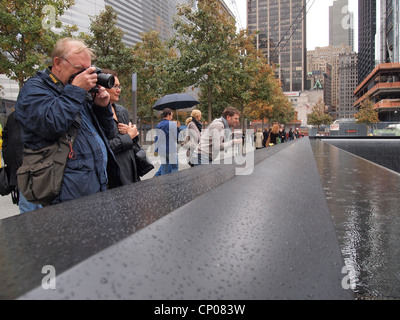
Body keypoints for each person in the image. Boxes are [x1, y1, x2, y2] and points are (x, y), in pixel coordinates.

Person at [14, 38, 121, 205]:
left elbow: (109, 133)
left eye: (88, 69)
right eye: (79, 68)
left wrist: (102, 107)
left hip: (94, 186)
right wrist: (76, 90)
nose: (86, 75)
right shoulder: (34, 89)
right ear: (58, 63)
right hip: (65, 192)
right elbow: (51, 125)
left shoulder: (76, 91)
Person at [104, 70, 140, 185]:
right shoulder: (95, 113)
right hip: (112, 174)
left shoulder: (122, 111)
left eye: (119, 86)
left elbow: (133, 139)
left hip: (130, 170)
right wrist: (128, 136)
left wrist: (133, 133)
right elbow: (103, 148)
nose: (118, 90)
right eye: (115, 86)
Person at [2, 111, 42, 213]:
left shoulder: (37, 113)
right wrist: (8, 156)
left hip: (35, 166)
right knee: (28, 206)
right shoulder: (13, 117)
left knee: (32, 206)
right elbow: (6, 136)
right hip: (21, 168)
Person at [154, 108, 181, 176]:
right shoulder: (171, 124)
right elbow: (177, 137)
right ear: (168, 115)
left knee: (164, 169)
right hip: (171, 149)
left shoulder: (159, 125)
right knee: (174, 167)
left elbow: (157, 138)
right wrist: (177, 128)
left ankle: (165, 184)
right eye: (171, 115)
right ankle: (173, 183)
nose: (172, 117)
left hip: (162, 150)